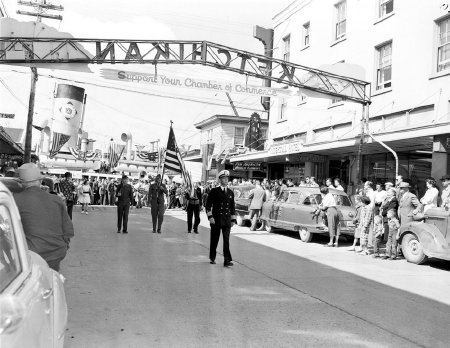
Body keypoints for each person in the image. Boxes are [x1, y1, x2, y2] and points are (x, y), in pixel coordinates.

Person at [14, 163, 74, 272]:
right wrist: (63, 246)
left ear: (21, 183)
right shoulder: (56, 200)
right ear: (40, 181)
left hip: (31, 255)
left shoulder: (15, 200)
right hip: (56, 253)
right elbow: (68, 231)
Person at [205, 170, 236, 267]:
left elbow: (232, 207)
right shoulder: (214, 191)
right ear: (220, 180)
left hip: (226, 220)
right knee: (214, 240)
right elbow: (208, 205)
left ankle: (227, 260)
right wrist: (210, 217)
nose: (226, 180)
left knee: (226, 240)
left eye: (227, 178)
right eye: (224, 178)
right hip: (216, 219)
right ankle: (212, 257)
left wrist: (233, 219)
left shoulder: (231, 192)